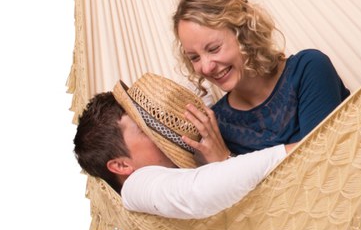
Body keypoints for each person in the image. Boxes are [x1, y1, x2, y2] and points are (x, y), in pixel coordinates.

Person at [73, 73, 292, 219]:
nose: (160, 132)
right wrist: (294, 151)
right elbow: (198, 193)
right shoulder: (136, 186)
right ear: (121, 165)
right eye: (144, 129)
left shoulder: (170, 174)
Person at [173, 0, 350, 154]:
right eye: (194, 57)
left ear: (243, 33)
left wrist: (225, 164)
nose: (206, 68)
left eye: (214, 49)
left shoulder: (308, 69)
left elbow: (321, 160)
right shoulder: (217, 126)